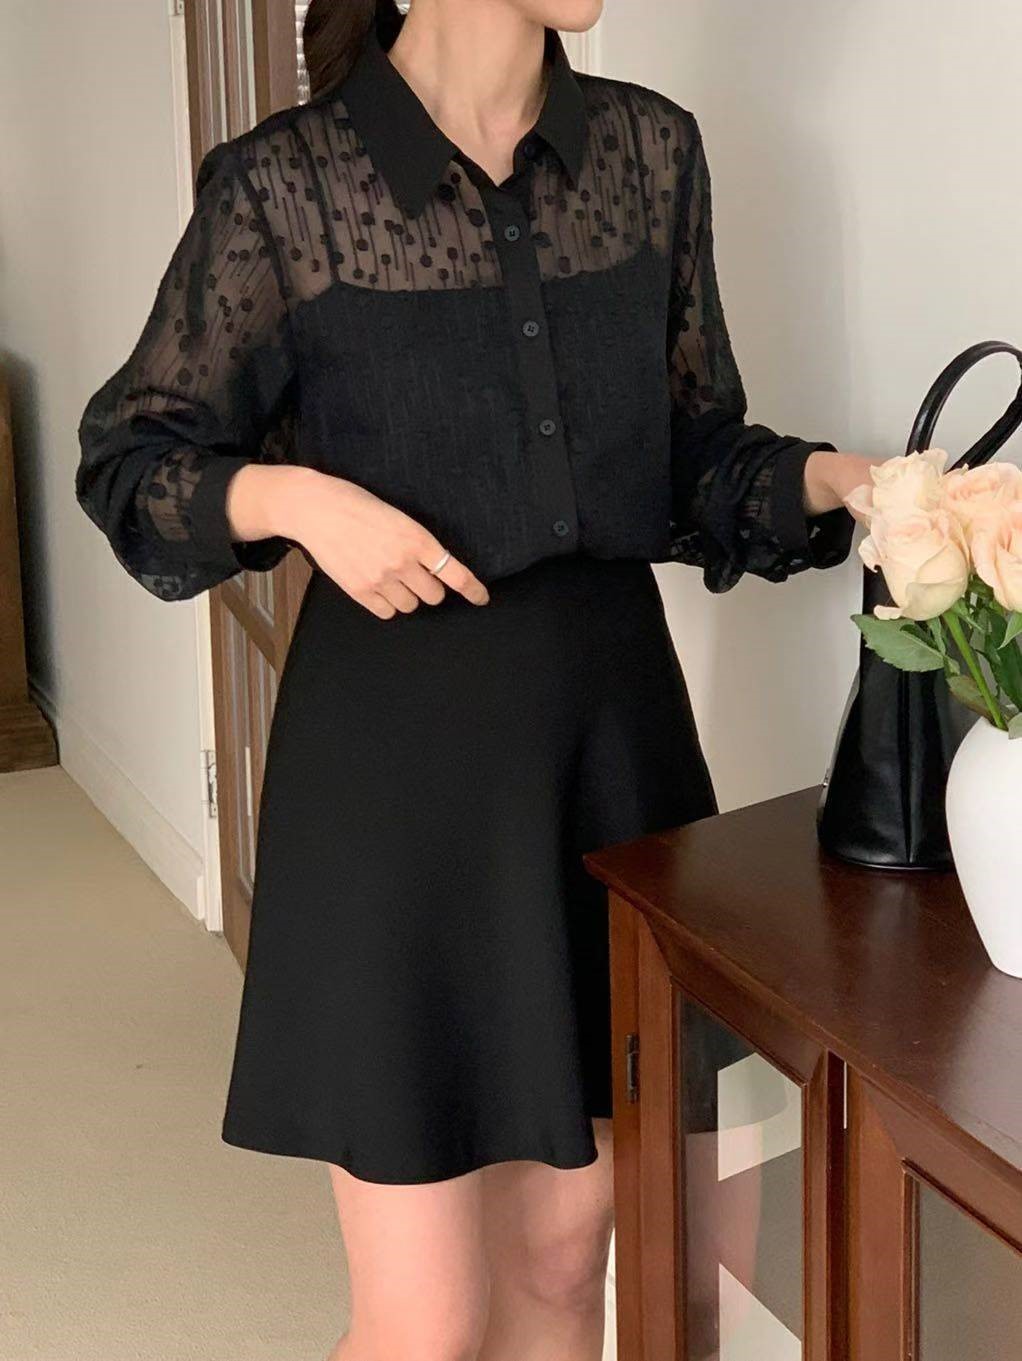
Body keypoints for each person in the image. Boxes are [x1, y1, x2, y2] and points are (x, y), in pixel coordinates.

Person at [75, 2, 875, 1357]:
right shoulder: (285, 185)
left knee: (569, 1260)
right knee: (426, 1322)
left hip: (612, 759)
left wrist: (844, 482)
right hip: (396, 780)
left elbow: (694, 457)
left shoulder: (651, 154)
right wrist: (296, 499)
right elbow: (131, 461)